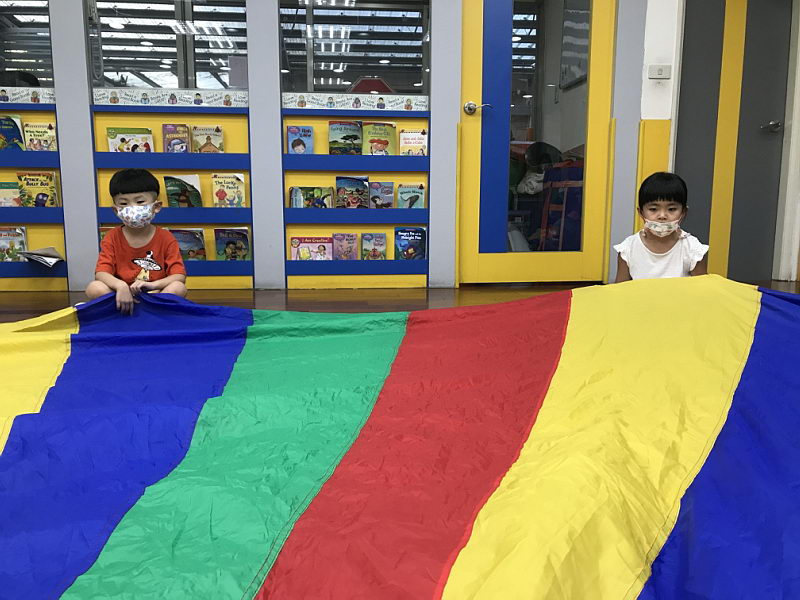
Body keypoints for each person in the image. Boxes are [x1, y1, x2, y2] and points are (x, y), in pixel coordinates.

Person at [85, 169, 187, 313]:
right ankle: (131, 307)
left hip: (155, 293)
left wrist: (154, 285)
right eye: (124, 203)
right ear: (116, 210)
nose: (132, 208)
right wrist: (121, 286)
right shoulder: (112, 237)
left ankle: (144, 310)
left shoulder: (166, 237)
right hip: (121, 294)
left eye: (140, 202)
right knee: (94, 287)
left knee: (178, 287)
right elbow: (101, 273)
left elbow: (179, 276)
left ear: (156, 207)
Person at [615, 172, 708, 282]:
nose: (662, 216)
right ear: (641, 212)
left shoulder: (693, 249)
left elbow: (702, 288)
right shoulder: (628, 249)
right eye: (653, 209)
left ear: (683, 212)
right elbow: (620, 289)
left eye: (671, 209)